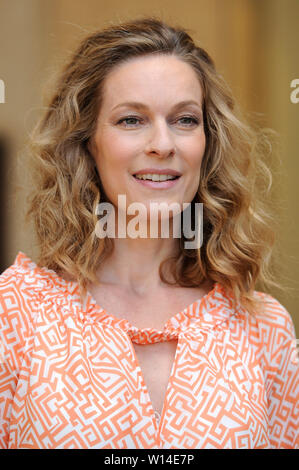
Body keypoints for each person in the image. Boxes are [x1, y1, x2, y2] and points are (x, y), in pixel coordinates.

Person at [0, 16, 298, 450]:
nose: (163, 144)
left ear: (208, 142)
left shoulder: (264, 327)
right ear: (88, 143)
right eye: (131, 120)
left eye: (184, 119)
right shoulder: (14, 316)